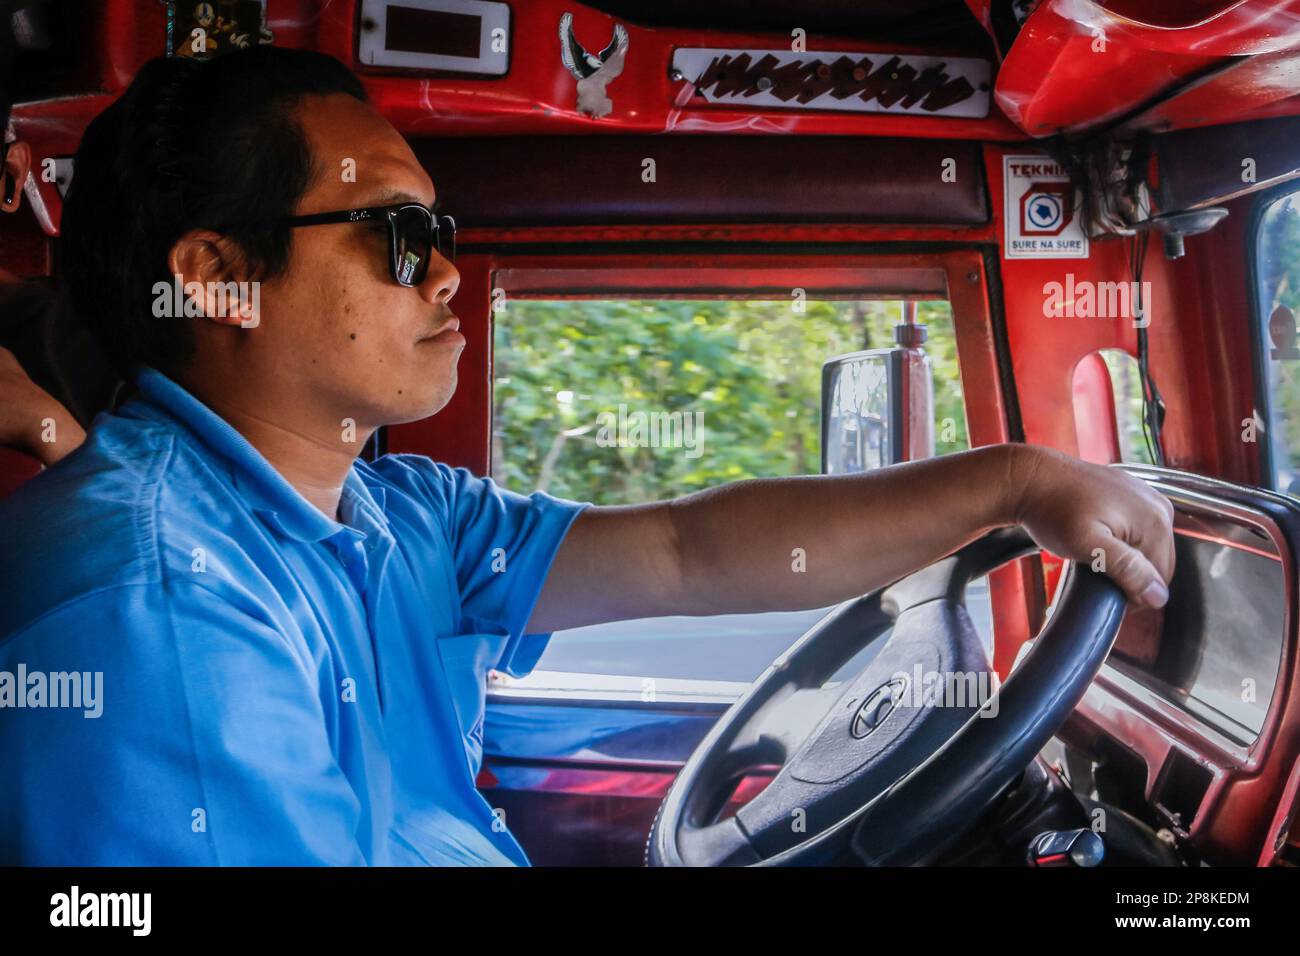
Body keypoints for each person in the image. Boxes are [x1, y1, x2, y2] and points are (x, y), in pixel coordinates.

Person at [0, 47, 1175, 866]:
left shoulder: (393, 510)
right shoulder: (155, 606)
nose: (448, 273)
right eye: (400, 236)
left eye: (442, 237)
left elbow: (685, 547)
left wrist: (1021, 480)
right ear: (219, 277)